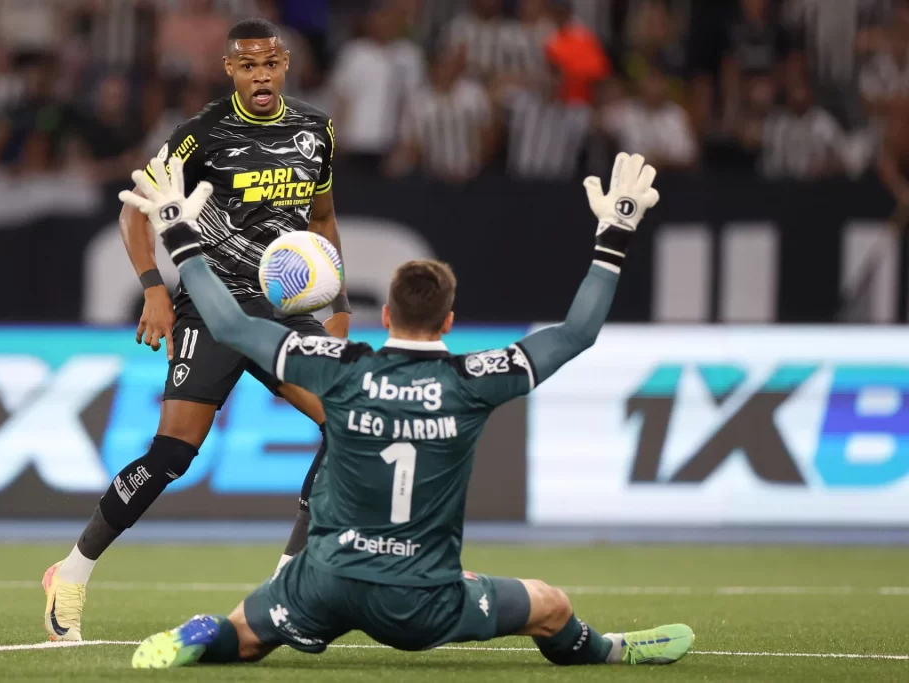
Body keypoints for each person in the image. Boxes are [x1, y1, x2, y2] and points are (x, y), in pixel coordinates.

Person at [119, 151, 695, 669]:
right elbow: (575, 334)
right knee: (549, 604)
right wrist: (614, 234)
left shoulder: (336, 365)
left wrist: (179, 233)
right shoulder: (474, 380)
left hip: (324, 581)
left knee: (245, 634)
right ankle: (611, 650)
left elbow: (230, 325)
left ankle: (209, 636)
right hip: (421, 597)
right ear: (449, 322)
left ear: (387, 315)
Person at [42, 18, 351, 642]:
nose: (260, 75)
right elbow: (136, 208)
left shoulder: (317, 131)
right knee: (172, 454)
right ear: (230, 70)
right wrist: (154, 289)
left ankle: (284, 588)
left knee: (344, 426)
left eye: (269, 63)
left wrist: (339, 304)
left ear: (285, 64)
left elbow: (322, 219)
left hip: (284, 311)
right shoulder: (199, 135)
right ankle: (70, 574)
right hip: (211, 308)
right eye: (247, 66)